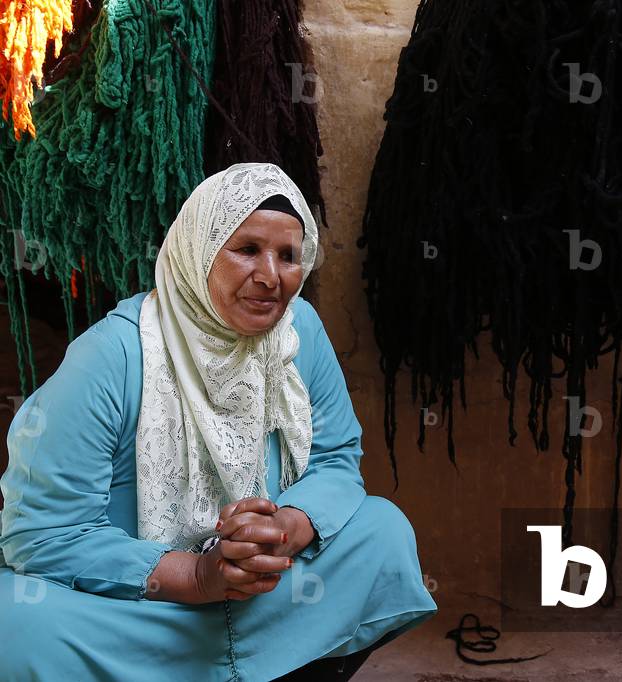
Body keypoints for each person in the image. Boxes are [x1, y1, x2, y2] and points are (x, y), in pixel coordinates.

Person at [0, 162, 437, 681]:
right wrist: (197, 576)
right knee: (17, 621)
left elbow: (337, 460)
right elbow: (44, 535)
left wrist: (283, 530)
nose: (270, 277)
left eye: (289, 256)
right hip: (139, 610)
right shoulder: (111, 355)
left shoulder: (300, 335)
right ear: (198, 249)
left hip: (262, 591)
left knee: (382, 532)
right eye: (247, 250)